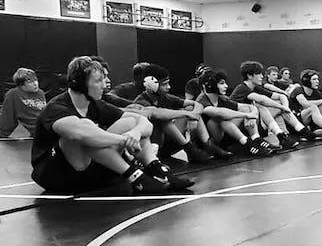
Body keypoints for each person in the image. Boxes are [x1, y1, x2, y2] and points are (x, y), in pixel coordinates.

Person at [30, 56, 192, 194]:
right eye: (98, 80)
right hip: (59, 176)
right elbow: (80, 134)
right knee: (86, 129)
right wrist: (123, 140)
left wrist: (134, 133)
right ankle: (135, 176)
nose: (104, 84)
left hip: (91, 173)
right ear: (79, 84)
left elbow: (144, 123)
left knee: (131, 122)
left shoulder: (95, 104)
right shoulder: (56, 108)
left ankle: (155, 168)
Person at [133, 65, 224, 161]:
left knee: (189, 109)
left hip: (168, 143)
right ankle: (190, 149)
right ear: (151, 84)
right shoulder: (141, 102)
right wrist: (186, 114)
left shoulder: (165, 97)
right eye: (164, 84)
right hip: (151, 145)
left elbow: (197, 104)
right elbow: (158, 113)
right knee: (164, 120)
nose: (169, 87)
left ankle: (208, 144)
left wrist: (194, 116)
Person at [196, 69, 276, 157]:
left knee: (245, 109)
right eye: (222, 83)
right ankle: (247, 144)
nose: (226, 86)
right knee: (220, 119)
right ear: (210, 85)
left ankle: (256, 138)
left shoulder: (222, 98)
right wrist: (247, 115)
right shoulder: (201, 101)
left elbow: (249, 107)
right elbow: (221, 113)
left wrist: (251, 116)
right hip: (212, 140)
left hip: (227, 135)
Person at [228, 61, 310, 147]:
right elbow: (263, 100)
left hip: (254, 123)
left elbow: (281, 96)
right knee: (261, 106)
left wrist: (285, 107)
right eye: (259, 74)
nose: (262, 76)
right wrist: (282, 107)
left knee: (274, 106)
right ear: (249, 76)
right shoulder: (242, 88)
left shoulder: (255, 87)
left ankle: (283, 135)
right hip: (239, 125)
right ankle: (298, 131)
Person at [0, 68, 47, 138]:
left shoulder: (40, 93)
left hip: (47, 126)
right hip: (40, 129)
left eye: (35, 80)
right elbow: (8, 118)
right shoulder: (13, 94)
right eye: (30, 82)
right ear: (22, 86)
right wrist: (2, 134)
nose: (35, 84)